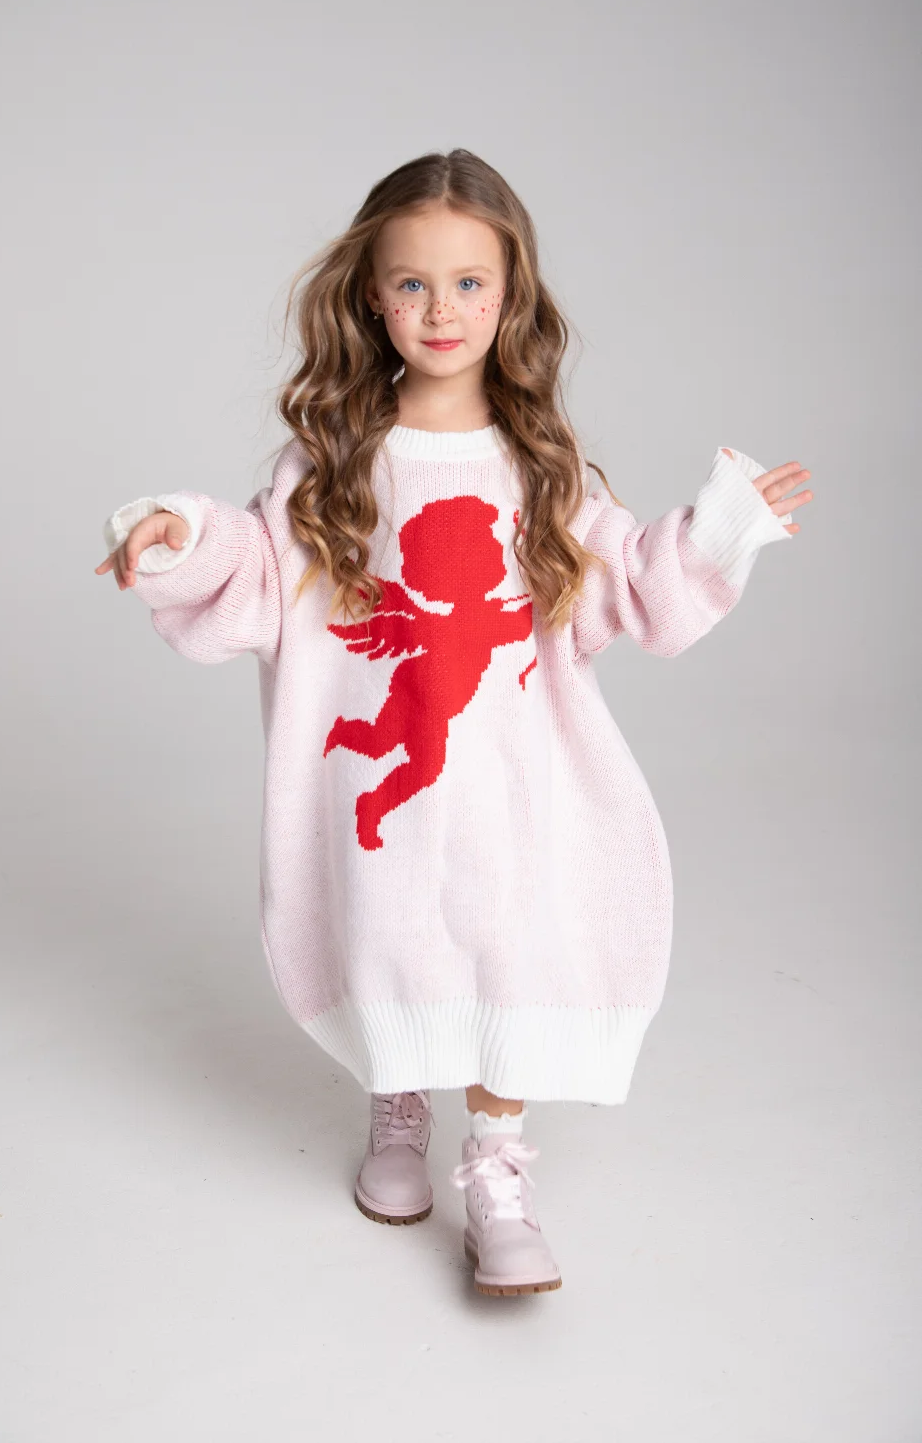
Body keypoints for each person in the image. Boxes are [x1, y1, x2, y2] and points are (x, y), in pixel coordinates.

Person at [94, 148, 812, 1299]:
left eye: (470, 283)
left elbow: (627, 582)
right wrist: (178, 533)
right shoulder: (335, 458)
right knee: (387, 925)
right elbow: (260, 564)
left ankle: (496, 1169)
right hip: (375, 768)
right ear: (371, 297)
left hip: (510, 775)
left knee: (503, 942)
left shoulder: (540, 466)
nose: (442, 311)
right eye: (413, 284)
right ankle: (397, 1104)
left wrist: (715, 530)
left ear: (511, 294)